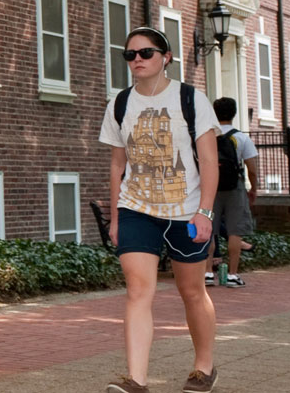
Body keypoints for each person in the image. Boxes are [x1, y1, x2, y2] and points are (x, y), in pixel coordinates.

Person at [100, 28, 220, 393]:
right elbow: (117, 165)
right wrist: (117, 217)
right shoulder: (120, 104)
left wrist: (205, 213)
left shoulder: (190, 99)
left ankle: (204, 367)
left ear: (166, 57)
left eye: (146, 53)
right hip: (137, 208)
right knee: (138, 291)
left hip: (186, 211)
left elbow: (210, 162)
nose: (137, 59)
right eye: (130, 55)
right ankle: (136, 380)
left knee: (192, 291)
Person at [203, 97, 259, 288]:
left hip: (210, 187)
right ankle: (233, 275)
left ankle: (208, 273)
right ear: (234, 113)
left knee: (210, 230)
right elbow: (252, 168)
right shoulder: (242, 138)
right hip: (235, 187)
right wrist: (254, 189)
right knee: (235, 232)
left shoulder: (208, 136)